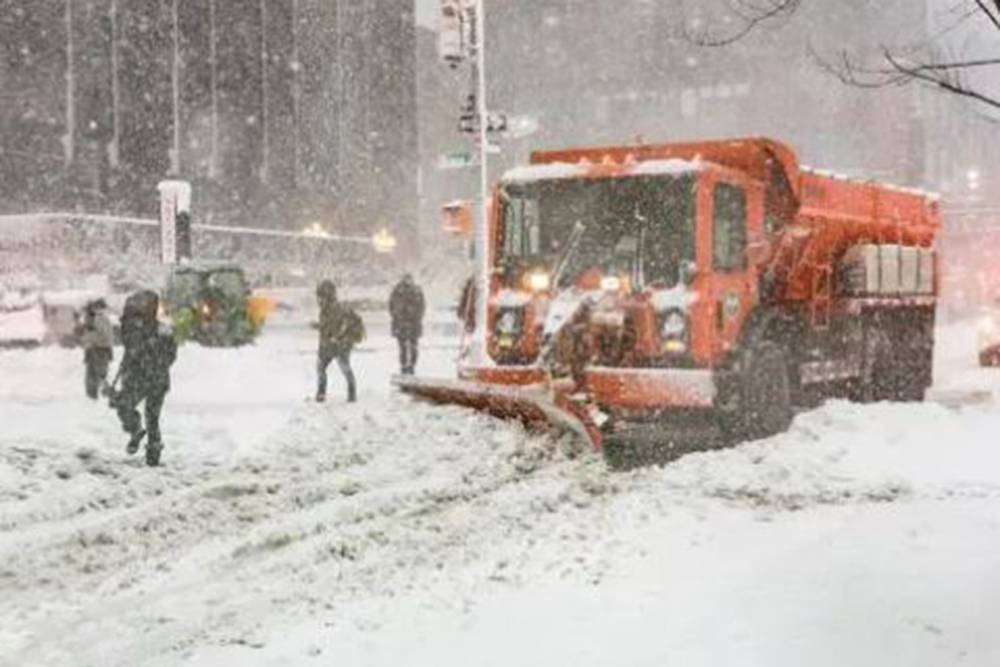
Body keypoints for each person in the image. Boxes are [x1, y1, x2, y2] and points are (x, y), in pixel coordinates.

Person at [110, 289, 177, 466]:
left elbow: (131, 350)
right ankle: (151, 449)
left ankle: (138, 432)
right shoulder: (160, 330)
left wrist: (144, 360)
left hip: (141, 378)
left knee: (129, 407)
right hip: (154, 379)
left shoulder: (136, 329)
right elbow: (170, 356)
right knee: (151, 416)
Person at [316, 279, 363, 402]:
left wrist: (337, 338)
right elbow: (326, 328)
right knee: (321, 368)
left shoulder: (336, 309)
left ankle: (351, 394)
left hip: (340, 346)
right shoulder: (325, 310)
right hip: (329, 345)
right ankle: (321, 394)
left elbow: (342, 326)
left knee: (344, 368)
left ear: (327, 296)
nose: (318, 300)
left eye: (320, 297)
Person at [388, 273, 425, 375]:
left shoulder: (416, 291)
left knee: (413, 347)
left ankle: (411, 365)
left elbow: (422, 307)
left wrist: (416, 317)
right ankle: (404, 366)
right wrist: (397, 316)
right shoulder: (398, 291)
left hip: (411, 324)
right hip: (402, 324)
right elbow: (391, 306)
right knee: (403, 348)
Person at [77, 298, 114, 400]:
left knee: (96, 373)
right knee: (97, 373)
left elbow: (104, 336)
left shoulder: (98, 319)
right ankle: (97, 394)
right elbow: (104, 336)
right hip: (97, 349)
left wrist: (90, 339)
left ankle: (97, 394)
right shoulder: (95, 319)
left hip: (98, 349)